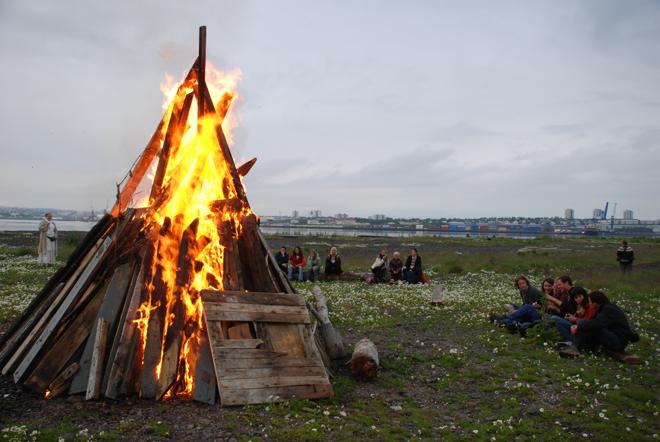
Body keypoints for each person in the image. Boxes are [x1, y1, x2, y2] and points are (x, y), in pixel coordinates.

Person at [568, 291, 639, 354]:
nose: (589, 304)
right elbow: (591, 322)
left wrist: (579, 325)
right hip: (613, 336)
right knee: (586, 326)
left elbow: (596, 324)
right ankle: (578, 346)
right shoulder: (602, 309)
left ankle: (577, 347)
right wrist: (578, 325)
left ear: (595, 302)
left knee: (594, 328)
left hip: (619, 342)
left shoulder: (609, 309)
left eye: (590, 302)